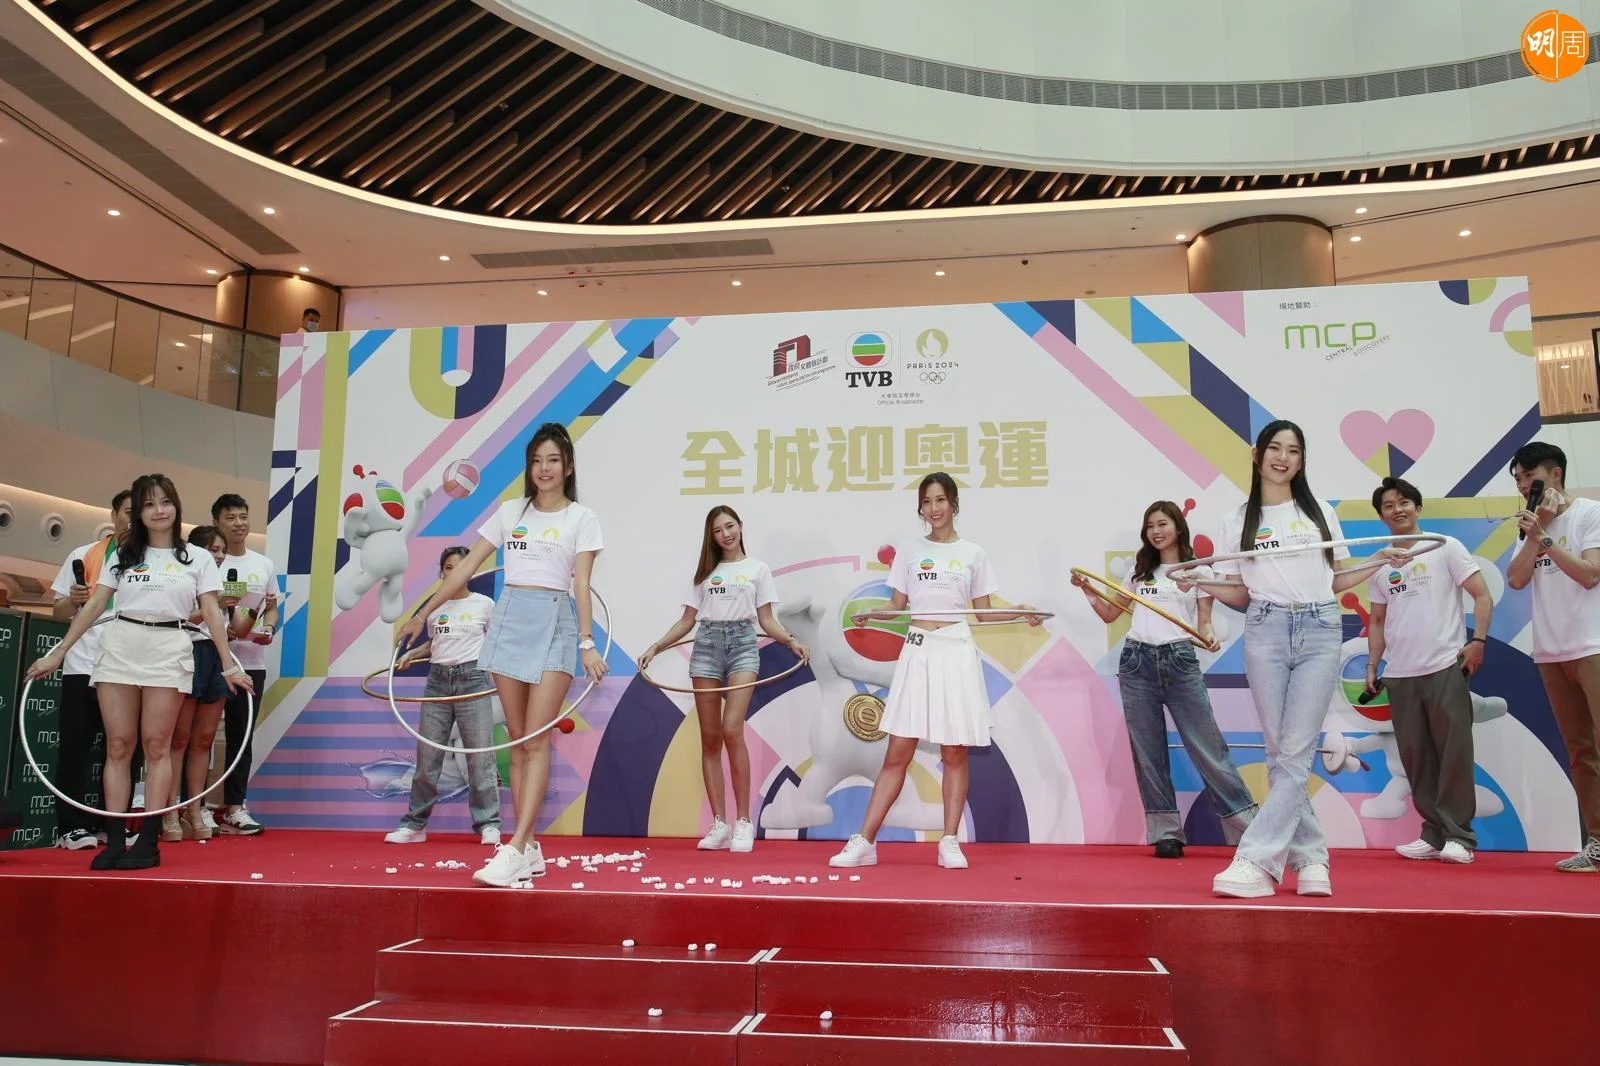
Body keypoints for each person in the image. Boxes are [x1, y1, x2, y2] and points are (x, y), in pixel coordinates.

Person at [1174, 421, 1407, 899]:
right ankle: (1313, 859)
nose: (1283, 458)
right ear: (1257, 454)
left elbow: (1336, 579)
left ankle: (1256, 859)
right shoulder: (1237, 519)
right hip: (1266, 628)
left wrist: (1381, 559)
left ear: (1301, 460)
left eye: (1294, 451)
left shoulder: (1318, 510)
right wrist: (1199, 580)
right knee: (1282, 752)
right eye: (1275, 448)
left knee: (1295, 752)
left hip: (1321, 628)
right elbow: (1239, 593)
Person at [398, 422, 606, 887]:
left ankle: (516, 845)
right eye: (537, 461)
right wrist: (421, 614)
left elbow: (581, 584)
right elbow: (466, 568)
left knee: (536, 738)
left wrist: (587, 642)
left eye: (553, 460)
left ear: (568, 467)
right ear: (528, 468)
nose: (544, 469)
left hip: (555, 622)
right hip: (510, 619)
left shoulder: (582, 518)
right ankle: (528, 850)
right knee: (518, 740)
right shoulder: (511, 511)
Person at [25, 475, 249, 869]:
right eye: (148, 504)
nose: (158, 511)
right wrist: (58, 653)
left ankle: (148, 841)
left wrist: (228, 664)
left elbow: (212, 612)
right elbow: (95, 605)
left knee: (157, 745)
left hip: (169, 648)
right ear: (139, 513)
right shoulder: (124, 554)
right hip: (120, 645)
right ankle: (114, 840)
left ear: (176, 506)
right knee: (119, 746)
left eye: (165, 502)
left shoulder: (197, 557)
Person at [829, 472, 1041, 870]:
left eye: (940, 500)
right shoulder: (910, 550)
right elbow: (897, 606)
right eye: (926, 502)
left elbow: (982, 613)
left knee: (954, 751)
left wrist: (1021, 611)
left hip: (956, 650)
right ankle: (865, 841)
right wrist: (872, 615)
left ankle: (949, 841)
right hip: (918, 649)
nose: (933, 508)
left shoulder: (973, 553)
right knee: (898, 751)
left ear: (954, 503)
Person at [1073, 501, 1257, 858]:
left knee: (1208, 748)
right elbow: (1111, 614)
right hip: (1136, 661)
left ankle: (1247, 827)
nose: (1156, 532)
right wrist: (1088, 590)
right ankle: (1166, 833)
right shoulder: (1139, 572)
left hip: (1180, 660)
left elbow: (1204, 623)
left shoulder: (1197, 571)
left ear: (1178, 527)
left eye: (1162, 524)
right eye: (1150, 526)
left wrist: (1209, 636)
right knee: (1148, 752)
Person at [638, 506, 810, 853]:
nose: (726, 534)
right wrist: (656, 646)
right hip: (706, 646)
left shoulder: (758, 569)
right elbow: (687, 621)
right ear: (712, 537)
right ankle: (720, 824)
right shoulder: (706, 573)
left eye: (730, 526)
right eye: (718, 530)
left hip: (743, 645)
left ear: (740, 527)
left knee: (733, 728)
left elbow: (766, 619)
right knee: (711, 737)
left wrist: (791, 641)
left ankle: (744, 821)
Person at [1364, 477, 1494, 865]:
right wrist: (1373, 665)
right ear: (1382, 516)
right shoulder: (1379, 563)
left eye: (1404, 502)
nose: (1397, 510)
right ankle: (1434, 834)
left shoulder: (1443, 546)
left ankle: (1460, 837)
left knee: (1453, 754)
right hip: (1400, 674)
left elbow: (1482, 595)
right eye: (1389, 506)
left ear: (1417, 508)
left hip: (1444, 665)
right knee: (1416, 758)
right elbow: (1377, 620)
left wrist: (1478, 641)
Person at [1506, 441, 1600, 872]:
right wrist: (1535, 533)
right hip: (1549, 652)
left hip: (1592, 646)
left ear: (1555, 474)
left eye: (1531, 477)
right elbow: (1516, 579)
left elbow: (1589, 574)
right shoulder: (1529, 525)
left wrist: (1544, 536)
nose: (1524, 486)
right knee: (1580, 752)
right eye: (1519, 480)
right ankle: (1597, 842)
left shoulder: (1589, 514)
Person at [385, 546, 504, 847]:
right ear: (441, 572)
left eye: (461, 567)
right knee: (428, 758)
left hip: (473, 681)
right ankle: (415, 825)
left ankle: (488, 824)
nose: (455, 573)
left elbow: (497, 643)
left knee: (480, 756)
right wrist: (413, 653)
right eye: (449, 568)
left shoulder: (485, 604)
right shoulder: (434, 607)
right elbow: (435, 644)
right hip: (437, 682)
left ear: (471, 571)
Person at [47, 490, 133, 850]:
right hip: (83, 665)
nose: (133, 519)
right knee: (75, 749)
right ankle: (69, 827)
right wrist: (74, 600)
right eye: (127, 511)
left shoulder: (153, 563)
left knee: (122, 749)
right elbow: (58, 611)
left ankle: (111, 824)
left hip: (128, 668)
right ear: (113, 515)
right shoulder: (82, 555)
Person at [210, 493, 277, 836]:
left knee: (241, 736)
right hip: (209, 658)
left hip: (251, 662)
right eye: (231, 517)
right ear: (216, 522)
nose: (239, 524)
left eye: (243, 516)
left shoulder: (263, 564)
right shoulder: (207, 561)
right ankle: (193, 807)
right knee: (199, 736)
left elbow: (271, 608)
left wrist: (269, 629)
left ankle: (235, 807)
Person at [164, 525, 234, 842]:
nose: (218, 556)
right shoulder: (181, 577)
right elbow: (177, 620)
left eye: (222, 550)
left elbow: (232, 627)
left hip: (217, 655)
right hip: (186, 652)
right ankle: (169, 811)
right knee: (178, 738)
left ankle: (195, 809)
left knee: (204, 739)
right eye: (213, 549)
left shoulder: (221, 584)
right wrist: (210, 608)